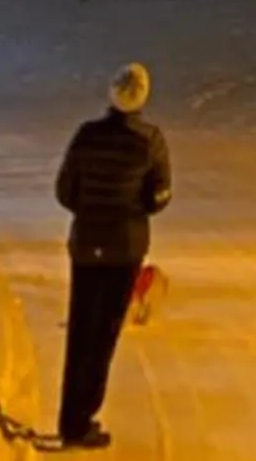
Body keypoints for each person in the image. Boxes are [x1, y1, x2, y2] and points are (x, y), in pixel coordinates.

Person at [52, 61, 173, 450]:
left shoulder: (86, 136)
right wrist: (134, 208)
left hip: (87, 243)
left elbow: (65, 190)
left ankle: (70, 420)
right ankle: (84, 418)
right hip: (125, 247)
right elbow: (159, 196)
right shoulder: (150, 142)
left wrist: (89, 210)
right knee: (103, 335)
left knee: (81, 331)